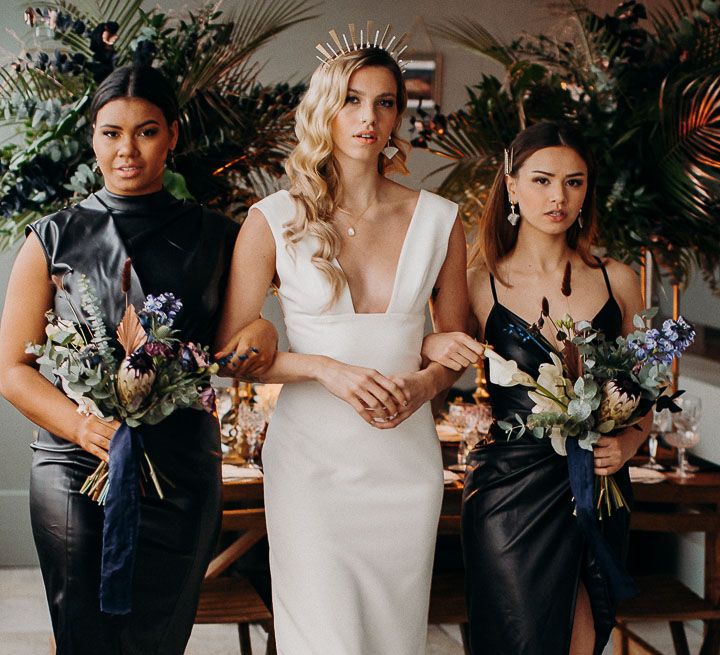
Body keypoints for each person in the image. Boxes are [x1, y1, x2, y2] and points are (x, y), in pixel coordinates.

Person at [0, 65, 277, 654]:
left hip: (180, 466)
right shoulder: (50, 238)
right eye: (110, 133)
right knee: (83, 638)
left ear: (173, 135)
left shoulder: (221, 237)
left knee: (158, 637)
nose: (127, 150)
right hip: (76, 468)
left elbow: (237, 340)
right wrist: (81, 426)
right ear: (92, 138)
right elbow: (10, 369)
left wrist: (263, 334)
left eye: (146, 132)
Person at [215, 29, 469, 654]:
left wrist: (425, 382)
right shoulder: (272, 219)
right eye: (353, 100)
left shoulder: (440, 219)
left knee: (394, 638)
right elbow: (229, 357)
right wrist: (327, 369)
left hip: (404, 463)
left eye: (386, 103)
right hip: (312, 465)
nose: (369, 117)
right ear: (324, 107)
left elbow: (456, 345)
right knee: (324, 638)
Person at [422, 121, 649, 655]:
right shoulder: (480, 281)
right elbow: (441, 363)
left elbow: (645, 388)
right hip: (509, 493)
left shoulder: (617, 278)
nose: (559, 197)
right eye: (543, 180)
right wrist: (431, 346)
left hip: (597, 485)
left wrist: (632, 442)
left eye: (574, 182)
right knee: (518, 639)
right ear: (511, 184)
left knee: (585, 637)